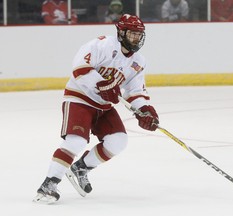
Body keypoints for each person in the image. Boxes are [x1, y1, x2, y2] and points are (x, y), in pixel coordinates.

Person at [33, 14, 159, 204]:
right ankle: (49, 183)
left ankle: (81, 168)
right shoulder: (101, 45)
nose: (136, 39)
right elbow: (80, 69)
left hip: (103, 107)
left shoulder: (138, 62)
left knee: (118, 141)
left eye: (138, 35)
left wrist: (145, 110)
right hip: (80, 98)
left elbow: (134, 91)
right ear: (121, 32)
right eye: (132, 34)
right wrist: (101, 84)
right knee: (76, 141)